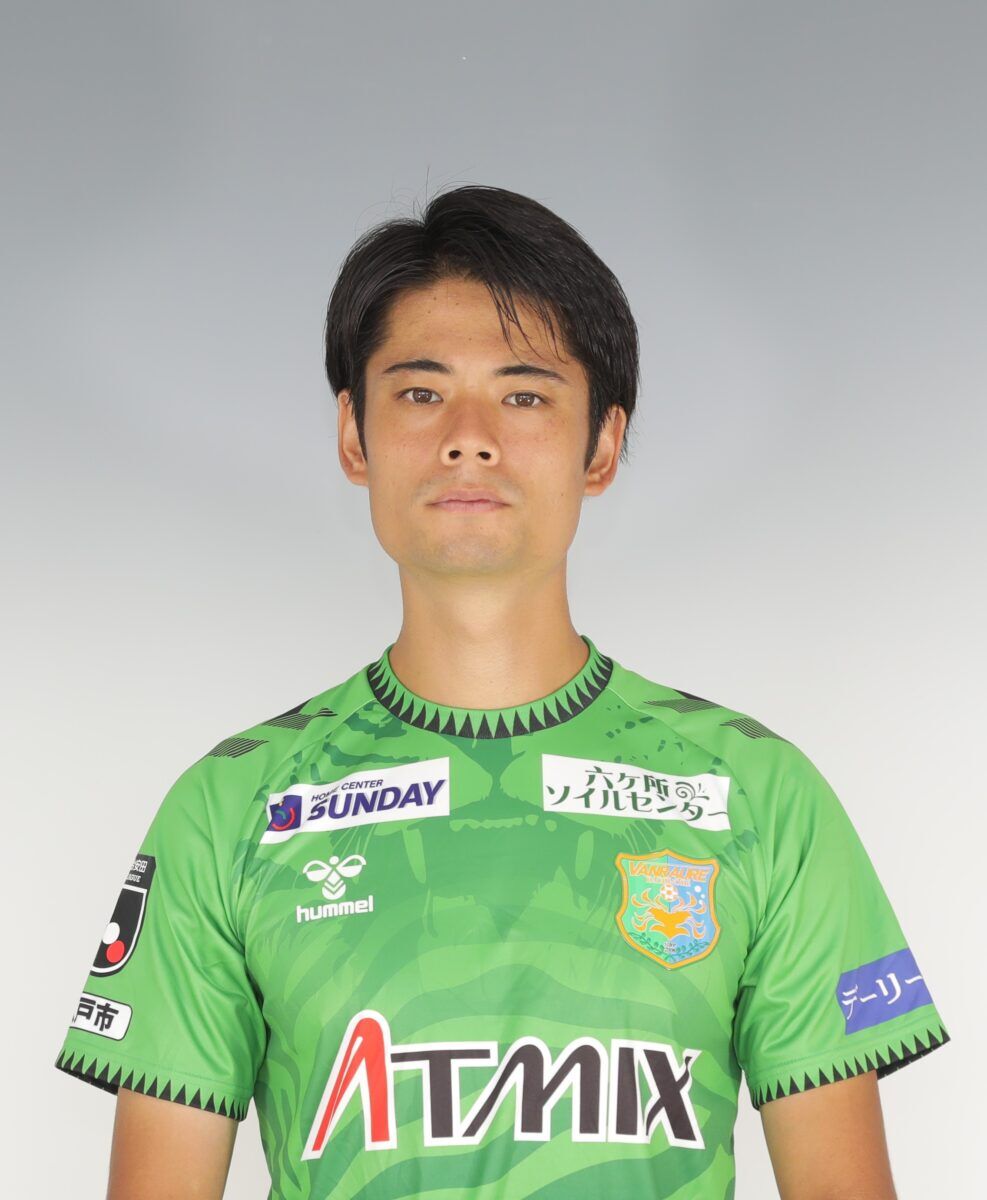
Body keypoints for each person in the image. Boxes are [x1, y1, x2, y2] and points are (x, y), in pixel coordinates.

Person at [54, 184, 949, 1200]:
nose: (469, 437)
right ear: (353, 436)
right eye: (420, 393)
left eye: (524, 396)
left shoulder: (759, 796)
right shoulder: (229, 808)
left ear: (601, 445)